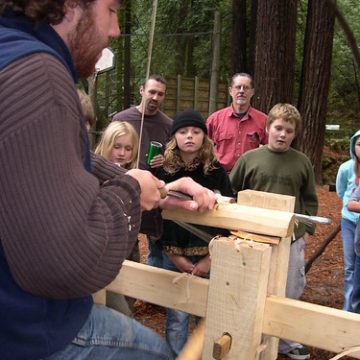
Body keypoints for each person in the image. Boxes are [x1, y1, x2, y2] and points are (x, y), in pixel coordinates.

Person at [0, 2, 217, 360]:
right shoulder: (39, 74)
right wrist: (130, 191)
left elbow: (48, 159)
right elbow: (74, 263)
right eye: (112, 10)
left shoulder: (10, 52)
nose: (115, 30)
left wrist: (159, 189)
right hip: (27, 332)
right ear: (71, 5)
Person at [230, 103, 318, 360]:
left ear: (294, 134)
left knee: (290, 289)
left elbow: (310, 200)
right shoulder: (249, 159)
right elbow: (232, 192)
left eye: (289, 131)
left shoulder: (302, 163)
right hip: (252, 238)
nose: (282, 134)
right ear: (268, 128)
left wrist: (305, 230)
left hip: (289, 240)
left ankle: (286, 342)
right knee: (251, 288)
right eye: (278, 128)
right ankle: (250, 338)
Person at [155, 109, 233, 356]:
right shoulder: (163, 172)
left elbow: (228, 219)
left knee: (205, 316)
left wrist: (211, 260)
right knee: (177, 317)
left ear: (205, 137)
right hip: (174, 255)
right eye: (183, 131)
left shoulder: (217, 173)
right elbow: (155, 217)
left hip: (209, 256)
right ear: (173, 137)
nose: (190, 136)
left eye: (196, 131)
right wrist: (174, 256)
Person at [113, 75, 172, 268]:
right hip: (123, 190)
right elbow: (107, 151)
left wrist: (165, 160)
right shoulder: (122, 119)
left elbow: (173, 159)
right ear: (141, 91)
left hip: (153, 191)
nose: (155, 97)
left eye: (160, 94)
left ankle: (151, 293)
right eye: (152, 92)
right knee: (122, 242)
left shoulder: (168, 125)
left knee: (156, 243)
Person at [95, 121, 140, 315]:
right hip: (103, 253)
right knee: (120, 312)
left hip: (130, 248)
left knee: (130, 298)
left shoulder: (137, 177)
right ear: (106, 144)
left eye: (128, 148)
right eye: (117, 146)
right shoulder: (90, 174)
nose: (122, 153)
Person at [206, 72, 268, 173]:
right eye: (238, 87)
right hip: (221, 176)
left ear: (252, 92)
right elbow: (202, 149)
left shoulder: (263, 121)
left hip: (249, 177)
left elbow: (270, 150)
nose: (241, 91)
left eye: (246, 88)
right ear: (230, 91)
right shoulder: (214, 120)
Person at [335, 130, 360, 312]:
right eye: (359, 144)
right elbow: (341, 190)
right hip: (350, 221)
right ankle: (348, 307)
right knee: (350, 265)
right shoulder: (346, 168)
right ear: (353, 146)